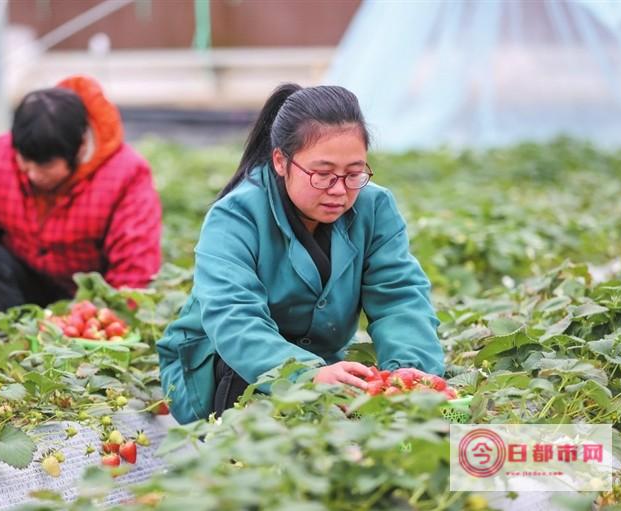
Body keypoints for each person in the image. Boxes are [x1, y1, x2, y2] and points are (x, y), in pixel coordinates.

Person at [156, 83, 444, 424]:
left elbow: (399, 299)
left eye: (354, 173)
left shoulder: (375, 207)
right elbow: (234, 320)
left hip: (321, 363)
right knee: (265, 419)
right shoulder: (234, 216)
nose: (339, 190)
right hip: (218, 367)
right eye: (322, 175)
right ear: (281, 161)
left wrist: (407, 376)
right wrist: (306, 375)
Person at [0, 75, 162, 329]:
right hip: (19, 287)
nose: (32, 173)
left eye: (45, 165)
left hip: (85, 300)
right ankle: (10, 339)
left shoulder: (126, 173)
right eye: (25, 160)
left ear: (79, 149)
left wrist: (101, 324)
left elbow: (134, 266)